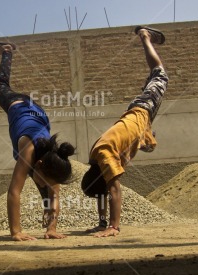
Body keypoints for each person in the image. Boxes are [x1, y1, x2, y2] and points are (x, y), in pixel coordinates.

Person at [81, 26, 168, 237]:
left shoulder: (104, 155)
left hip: (142, 109)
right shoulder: (96, 158)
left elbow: (113, 190)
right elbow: (103, 192)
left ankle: (145, 37)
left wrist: (113, 227)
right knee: (147, 144)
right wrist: (101, 223)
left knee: (160, 73)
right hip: (136, 115)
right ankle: (147, 137)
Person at [0, 41, 75, 241]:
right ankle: (7, 52)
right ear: (39, 163)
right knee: (0, 86)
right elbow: (13, 192)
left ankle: (48, 223)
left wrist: (52, 229)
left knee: (48, 189)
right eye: (46, 180)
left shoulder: (53, 161)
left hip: (38, 113)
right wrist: (16, 231)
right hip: (17, 103)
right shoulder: (27, 150)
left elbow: (54, 195)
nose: (48, 186)